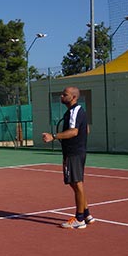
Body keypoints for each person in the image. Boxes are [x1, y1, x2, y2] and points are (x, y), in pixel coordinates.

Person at [42, 86, 95, 229]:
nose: (61, 96)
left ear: (73, 97)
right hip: (74, 151)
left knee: (76, 183)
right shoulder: (74, 111)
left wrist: (53, 137)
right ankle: (87, 214)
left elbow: (74, 131)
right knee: (75, 183)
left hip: (74, 153)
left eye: (64, 94)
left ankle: (79, 219)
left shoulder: (75, 111)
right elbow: (86, 130)